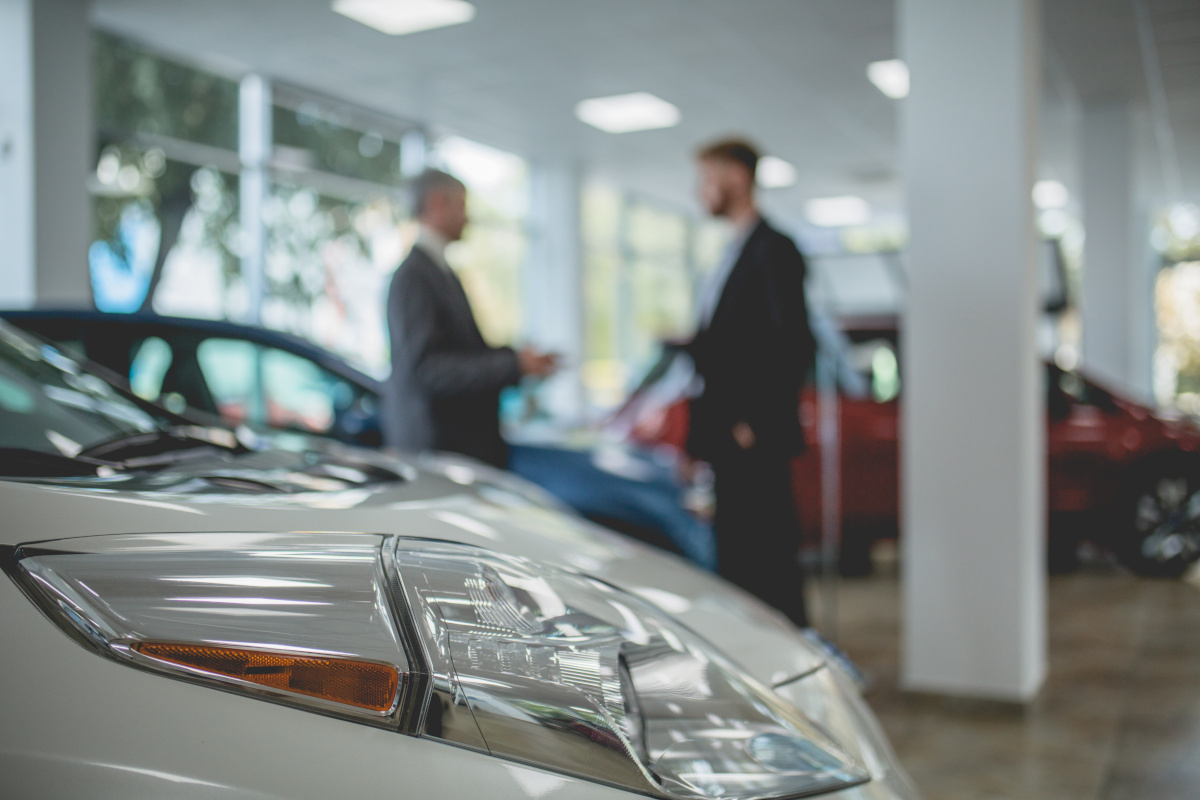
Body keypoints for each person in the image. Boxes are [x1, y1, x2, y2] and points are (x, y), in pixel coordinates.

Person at [684, 138, 816, 628]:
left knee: (768, 564)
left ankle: (789, 671)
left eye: (706, 178)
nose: (699, 191)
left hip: (750, 439)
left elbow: (793, 345)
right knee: (739, 563)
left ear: (736, 178)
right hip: (728, 436)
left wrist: (752, 423)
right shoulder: (734, 251)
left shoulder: (773, 249)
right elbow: (739, 343)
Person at [383, 169, 557, 468]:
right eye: (461, 206)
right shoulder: (414, 277)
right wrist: (513, 365)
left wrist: (516, 360)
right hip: (439, 450)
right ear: (437, 203)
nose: (467, 218)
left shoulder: (440, 273)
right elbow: (429, 368)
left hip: (456, 446)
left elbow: (460, 352)